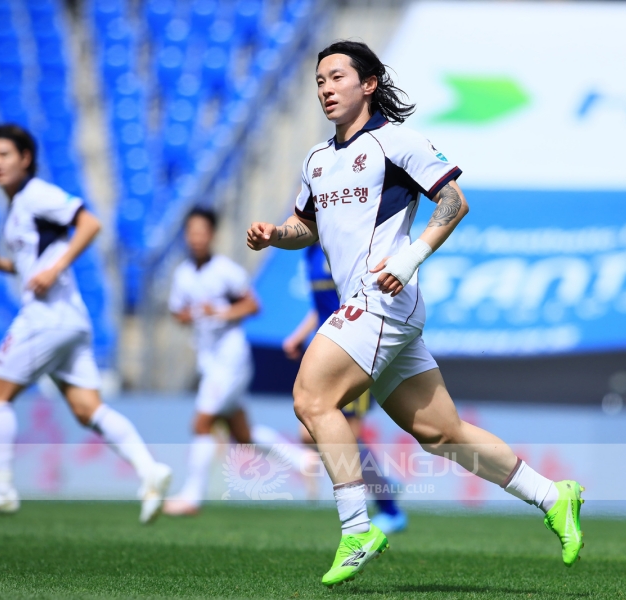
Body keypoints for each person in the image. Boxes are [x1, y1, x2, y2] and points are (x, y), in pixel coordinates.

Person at [247, 41, 585, 587]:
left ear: (369, 84)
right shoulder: (316, 159)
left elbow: (454, 202)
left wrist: (410, 258)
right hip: (371, 307)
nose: (326, 88)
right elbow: (305, 226)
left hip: (382, 299)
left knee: (312, 398)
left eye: (337, 77)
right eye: (319, 81)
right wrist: (274, 234)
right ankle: (553, 495)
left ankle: (357, 528)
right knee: (441, 433)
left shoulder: (396, 141)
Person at [0, 124, 172, 523]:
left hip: (45, 318)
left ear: (25, 158)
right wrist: (3, 265)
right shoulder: (17, 206)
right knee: (88, 408)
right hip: (70, 321)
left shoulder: (36, 193)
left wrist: (55, 268)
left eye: (4, 155)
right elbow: (34, 264)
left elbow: (89, 223)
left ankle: (2, 489)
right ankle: (150, 470)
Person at [163, 208, 315, 516]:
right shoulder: (183, 274)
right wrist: (192, 314)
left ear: (211, 235)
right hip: (209, 360)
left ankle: (192, 496)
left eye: (201, 232)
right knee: (243, 435)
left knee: (201, 423)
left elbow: (253, 305)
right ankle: (302, 460)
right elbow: (178, 313)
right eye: (191, 232)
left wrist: (221, 312)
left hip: (231, 359)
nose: (196, 238)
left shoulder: (225, 271)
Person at [283, 242, 407, 534]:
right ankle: (381, 486)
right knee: (314, 433)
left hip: (353, 348)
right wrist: (300, 335)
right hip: (326, 347)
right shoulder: (311, 249)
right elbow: (322, 304)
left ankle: (389, 509)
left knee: (345, 434)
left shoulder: (345, 242)